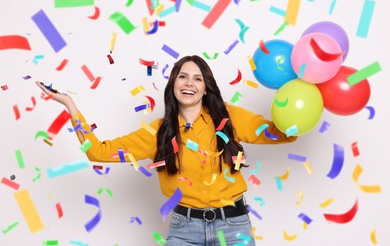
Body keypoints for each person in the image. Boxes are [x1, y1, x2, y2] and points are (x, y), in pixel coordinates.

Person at [36, 55, 297, 245]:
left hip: (233, 227)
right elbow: (98, 152)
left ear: (206, 88)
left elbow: (280, 133)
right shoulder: (158, 132)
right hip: (185, 230)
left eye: (197, 78)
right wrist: (70, 105)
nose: (189, 83)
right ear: (173, 83)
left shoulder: (228, 117)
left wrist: (300, 107)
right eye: (182, 76)